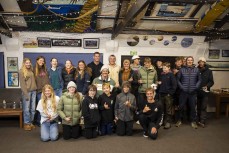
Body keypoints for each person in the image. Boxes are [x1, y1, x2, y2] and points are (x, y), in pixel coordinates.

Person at [176, 56, 201, 129]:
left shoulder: (197, 70)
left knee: (193, 107)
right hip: (183, 92)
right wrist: (182, 87)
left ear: (193, 61)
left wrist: (196, 87)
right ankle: (179, 120)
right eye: (188, 60)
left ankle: (193, 121)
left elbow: (199, 80)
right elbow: (178, 80)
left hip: (193, 92)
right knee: (181, 107)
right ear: (186, 61)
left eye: (191, 60)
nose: (190, 61)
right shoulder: (181, 70)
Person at [19, 58, 37, 131]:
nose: (28, 64)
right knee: (26, 109)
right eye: (26, 63)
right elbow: (22, 85)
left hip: (34, 91)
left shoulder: (31, 70)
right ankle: (26, 123)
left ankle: (31, 123)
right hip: (27, 92)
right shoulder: (21, 71)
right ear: (24, 63)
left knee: (33, 109)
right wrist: (26, 94)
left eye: (29, 62)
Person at [158, 62, 177, 129]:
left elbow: (174, 86)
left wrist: (170, 93)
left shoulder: (171, 75)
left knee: (168, 109)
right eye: (163, 68)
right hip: (161, 94)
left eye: (165, 68)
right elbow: (161, 83)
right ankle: (163, 121)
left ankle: (168, 122)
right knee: (161, 108)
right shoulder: (162, 74)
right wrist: (159, 83)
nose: (164, 69)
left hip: (168, 95)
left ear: (169, 68)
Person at [197, 57, 214, 127]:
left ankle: (202, 121)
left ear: (204, 63)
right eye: (200, 62)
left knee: (203, 107)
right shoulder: (196, 70)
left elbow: (211, 82)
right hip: (197, 92)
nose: (201, 63)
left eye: (202, 62)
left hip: (205, 92)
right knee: (197, 107)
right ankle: (197, 120)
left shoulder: (209, 71)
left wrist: (207, 86)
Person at [34, 56, 50, 126]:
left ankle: (43, 120)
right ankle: (38, 121)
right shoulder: (34, 69)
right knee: (40, 106)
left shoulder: (45, 69)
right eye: (40, 60)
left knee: (45, 106)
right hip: (39, 91)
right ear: (37, 61)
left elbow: (47, 79)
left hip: (46, 91)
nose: (42, 62)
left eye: (43, 61)